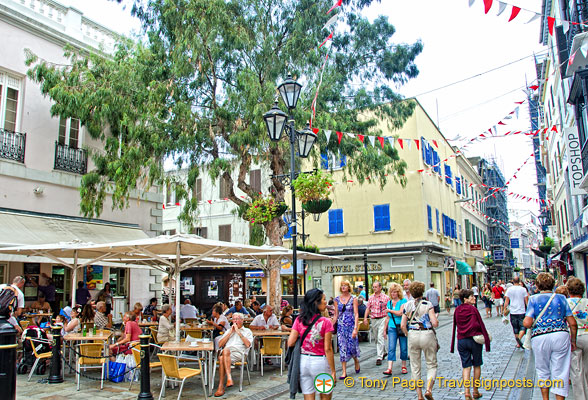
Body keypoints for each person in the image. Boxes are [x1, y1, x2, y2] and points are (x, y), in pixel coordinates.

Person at [523, 272, 577, 400]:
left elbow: (527, 322)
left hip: (540, 337)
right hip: (560, 335)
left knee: (542, 370)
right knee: (561, 371)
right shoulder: (562, 298)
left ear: (537, 285)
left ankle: (545, 398)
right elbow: (573, 323)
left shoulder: (533, 299)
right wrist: (573, 340)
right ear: (553, 284)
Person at [287, 288, 336, 400]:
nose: (325, 301)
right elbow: (328, 348)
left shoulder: (299, 319)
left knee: (308, 396)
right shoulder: (326, 322)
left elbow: (290, 342)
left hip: (303, 362)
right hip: (320, 362)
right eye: (323, 299)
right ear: (316, 302)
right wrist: (333, 371)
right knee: (325, 397)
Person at [401, 281, 439, 400]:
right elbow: (435, 323)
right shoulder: (428, 304)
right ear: (422, 291)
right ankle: (428, 389)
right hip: (426, 334)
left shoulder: (407, 305)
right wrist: (434, 320)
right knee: (431, 364)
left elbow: (403, 325)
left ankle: (419, 395)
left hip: (413, 334)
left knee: (415, 366)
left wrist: (408, 334)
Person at [450, 289, 490, 400]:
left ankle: (467, 392)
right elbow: (479, 324)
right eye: (472, 297)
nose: (474, 298)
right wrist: (485, 338)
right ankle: (475, 391)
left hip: (462, 340)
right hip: (474, 340)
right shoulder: (473, 309)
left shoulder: (457, 310)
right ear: (465, 299)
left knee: (466, 366)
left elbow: (456, 325)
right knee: (477, 364)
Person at [214, 313, 253, 397]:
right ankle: (228, 378)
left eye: (237, 319)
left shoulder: (247, 331)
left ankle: (221, 386)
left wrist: (238, 332)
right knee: (224, 352)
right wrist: (230, 333)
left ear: (242, 321)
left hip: (239, 353)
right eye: (233, 319)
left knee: (222, 356)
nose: (235, 321)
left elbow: (248, 345)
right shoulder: (228, 330)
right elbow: (220, 344)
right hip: (227, 353)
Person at [333, 280, 361, 378]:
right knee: (342, 347)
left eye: (345, 285)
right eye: (342, 286)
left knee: (352, 347)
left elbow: (356, 314)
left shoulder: (353, 298)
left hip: (350, 325)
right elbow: (336, 315)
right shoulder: (336, 299)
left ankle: (356, 360)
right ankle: (344, 371)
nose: (343, 287)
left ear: (349, 287)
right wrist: (331, 324)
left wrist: (355, 328)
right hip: (341, 327)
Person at [567, 277, 588, 399]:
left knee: (576, 371)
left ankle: (581, 397)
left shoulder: (566, 303)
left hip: (573, 337)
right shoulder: (587, 302)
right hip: (587, 336)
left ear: (569, 290)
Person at [362, 281, 390, 366]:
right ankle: (384, 351)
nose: (374, 288)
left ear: (380, 287)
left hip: (382, 318)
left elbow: (388, 308)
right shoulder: (371, 298)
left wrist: (388, 319)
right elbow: (368, 308)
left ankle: (379, 357)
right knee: (377, 338)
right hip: (374, 319)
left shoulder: (386, 297)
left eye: (376, 287)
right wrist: (365, 318)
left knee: (380, 337)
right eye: (373, 287)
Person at [383, 283, 408, 376]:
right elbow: (387, 317)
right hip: (392, 327)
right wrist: (384, 330)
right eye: (392, 292)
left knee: (404, 347)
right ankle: (389, 368)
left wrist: (390, 311)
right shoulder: (389, 303)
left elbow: (400, 313)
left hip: (402, 326)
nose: (393, 294)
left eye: (395, 292)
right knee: (391, 347)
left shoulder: (403, 301)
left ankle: (404, 365)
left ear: (398, 293)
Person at [503, 276, 528, 348]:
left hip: (513, 311)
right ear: (519, 281)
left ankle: (518, 341)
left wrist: (504, 310)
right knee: (523, 327)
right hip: (522, 311)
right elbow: (526, 301)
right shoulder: (523, 289)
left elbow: (506, 301)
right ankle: (519, 339)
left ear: (513, 281)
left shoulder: (509, 289)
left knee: (515, 328)